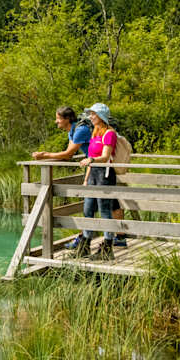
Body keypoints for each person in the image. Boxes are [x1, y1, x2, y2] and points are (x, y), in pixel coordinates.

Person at [71, 102, 124, 260]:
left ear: (101, 116)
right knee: (88, 210)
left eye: (93, 114)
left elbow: (105, 157)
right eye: (90, 114)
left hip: (105, 176)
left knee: (105, 211)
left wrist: (91, 160)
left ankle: (107, 247)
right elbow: (90, 159)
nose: (90, 117)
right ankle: (85, 246)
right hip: (93, 175)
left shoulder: (109, 134)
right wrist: (86, 180)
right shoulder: (95, 133)